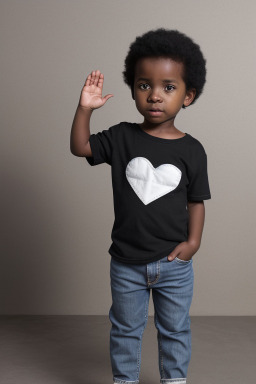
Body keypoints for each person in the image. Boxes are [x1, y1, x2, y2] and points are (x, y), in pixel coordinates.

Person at [70, 28, 211, 384]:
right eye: (144, 85)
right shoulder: (121, 137)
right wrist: (84, 108)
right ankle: (124, 381)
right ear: (133, 89)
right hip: (126, 262)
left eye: (168, 87)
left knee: (175, 329)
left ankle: (175, 381)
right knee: (125, 330)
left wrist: (192, 245)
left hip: (173, 264)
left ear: (188, 96)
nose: (154, 96)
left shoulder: (192, 150)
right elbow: (81, 147)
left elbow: (197, 201)